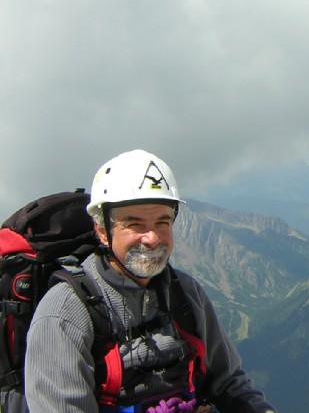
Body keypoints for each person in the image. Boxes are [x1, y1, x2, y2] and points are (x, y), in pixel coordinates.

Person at [24, 149, 277, 413]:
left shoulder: (185, 293)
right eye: (134, 224)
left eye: (162, 222)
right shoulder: (65, 315)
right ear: (102, 230)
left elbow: (229, 383)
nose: (152, 238)